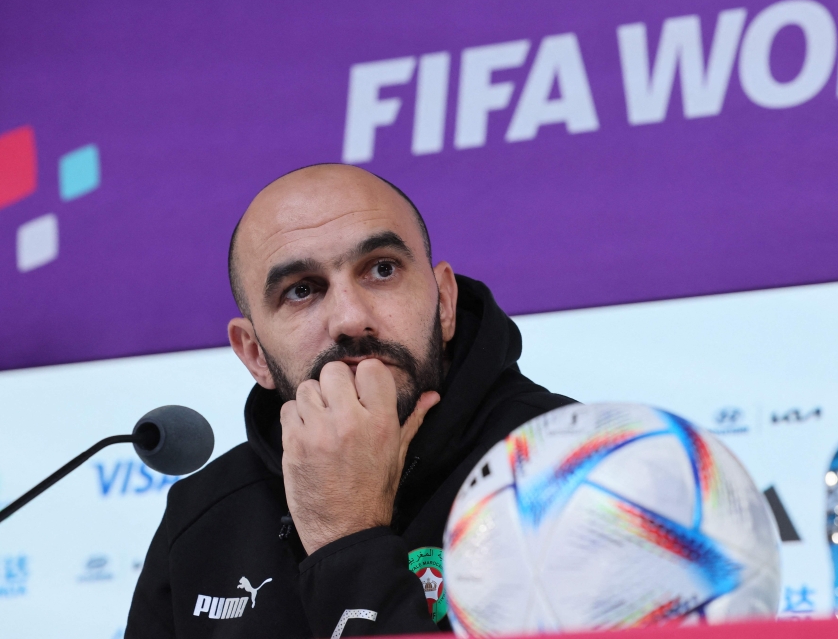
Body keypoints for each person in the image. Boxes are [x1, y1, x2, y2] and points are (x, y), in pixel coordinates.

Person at [125, 164, 574, 638]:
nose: (350, 318)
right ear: (254, 354)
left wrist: (347, 537)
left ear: (443, 302)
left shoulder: (574, 463)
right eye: (301, 291)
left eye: (382, 270)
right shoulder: (203, 517)